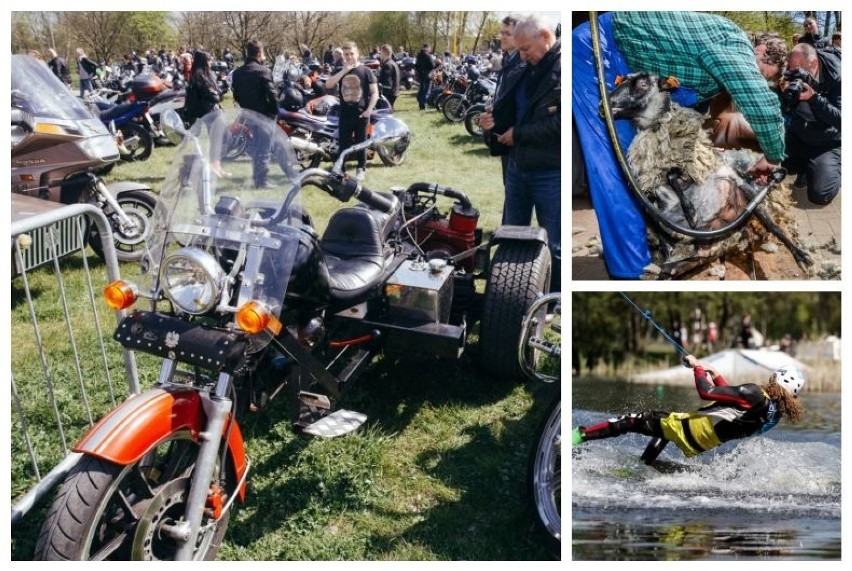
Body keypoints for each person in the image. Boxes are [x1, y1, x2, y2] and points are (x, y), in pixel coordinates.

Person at [572, 12, 788, 279]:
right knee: (618, 166)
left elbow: (683, 100)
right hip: (597, 50)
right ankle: (632, 273)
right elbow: (760, 101)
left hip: (630, 63)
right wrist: (773, 156)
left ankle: (648, 240)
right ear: (761, 50)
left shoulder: (717, 50)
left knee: (641, 161)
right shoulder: (735, 44)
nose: (758, 80)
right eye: (762, 74)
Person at [573, 355, 805, 465]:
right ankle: (643, 465)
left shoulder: (755, 393)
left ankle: (578, 435)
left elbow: (707, 393)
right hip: (702, 443)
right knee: (662, 426)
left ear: (777, 379)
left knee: (633, 420)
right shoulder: (772, 414)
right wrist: (714, 373)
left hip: (690, 428)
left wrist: (697, 368)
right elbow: (732, 403)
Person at [481, 16, 561, 292]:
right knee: (510, 234)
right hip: (516, 167)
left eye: (526, 48)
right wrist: (492, 124)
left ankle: (554, 298)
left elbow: (561, 124)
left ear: (545, 37)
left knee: (556, 244)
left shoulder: (564, 68)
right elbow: (510, 108)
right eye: (519, 49)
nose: (522, 55)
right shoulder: (520, 65)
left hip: (551, 173)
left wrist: (519, 134)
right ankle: (504, 295)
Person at [784, 42, 841, 205]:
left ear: (814, 63)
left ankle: (838, 164)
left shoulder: (838, 77)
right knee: (775, 163)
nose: (797, 74)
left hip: (828, 142)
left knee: (820, 194)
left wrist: (814, 98)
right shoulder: (790, 74)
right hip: (799, 134)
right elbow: (785, 110)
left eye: (801, 68)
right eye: (792, 68)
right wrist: (784, 95)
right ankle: (805, 168)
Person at [324, 41, 378, 182]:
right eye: (346, 54)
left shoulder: (366, 71)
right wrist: (344, 70)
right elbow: (328, 85)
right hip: (345, 114)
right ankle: (341, 170)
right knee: (344, 144)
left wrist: (369, 110)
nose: (349, 57)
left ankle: (361, 168)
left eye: (351, 54)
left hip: (361, 114)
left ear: (357, 54)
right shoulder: (341, 70)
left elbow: (374, 93)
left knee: (361, 143)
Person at [231, 39, 279, 189]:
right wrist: (274, 112)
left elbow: (236, 94)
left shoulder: (238, 72)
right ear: (259, 54)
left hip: (247, 115)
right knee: (264, 149)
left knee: (254, 149)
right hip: (264, 116)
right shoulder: (263, 71)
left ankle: (257, 178)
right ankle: (261, 181)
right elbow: (272, 94)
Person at [480, 15, 523, 182]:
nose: (503, 37)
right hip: (504, 135)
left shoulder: (523, 63)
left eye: (508, 33)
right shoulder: (507, 60)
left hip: (516, 139)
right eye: (502, 32)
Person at [185, 49, 229, 179]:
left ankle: (216, 167)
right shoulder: (202, 74)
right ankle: (215, 167)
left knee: (216, 141)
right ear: (204, 61)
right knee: (217, 141)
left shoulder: (196, 74)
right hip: (211, 112)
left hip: (205, 112)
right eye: (209, 60)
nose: (211, 62)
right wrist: (220, 89)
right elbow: (213, 95)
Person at [377, 43, 400, 108]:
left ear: (384, 52)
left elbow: (387, 83)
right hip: (394, 92)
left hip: (389, 94)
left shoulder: (388, 65)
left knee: (385, 111)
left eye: (380, 52)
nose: (380, 54)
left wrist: (380, 92)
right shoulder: (392, 63)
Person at [415, 43, 435, 110]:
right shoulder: (427, 55)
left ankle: (421, 104)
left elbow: (416, 65)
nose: (430, 50)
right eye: (429, 48)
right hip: (427, 75)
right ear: (427, 48)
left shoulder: (419, 55)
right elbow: (432, 65)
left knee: (421, 90)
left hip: (421, 75)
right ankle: (423, 106)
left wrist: (419, 72)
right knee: (426, 91)